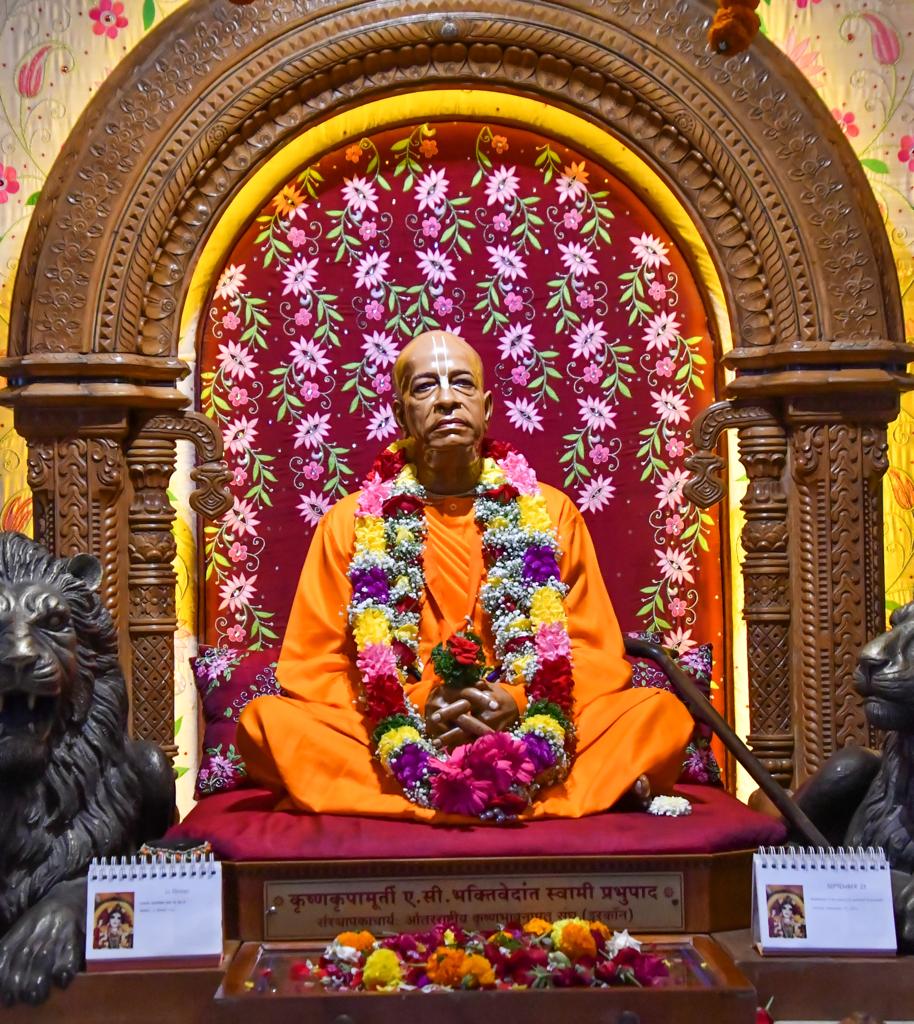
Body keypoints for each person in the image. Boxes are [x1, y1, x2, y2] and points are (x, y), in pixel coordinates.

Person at [237, 331, 693, 820]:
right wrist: (419, 703)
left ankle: (445, 791)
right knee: (268, 723)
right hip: (398, 726)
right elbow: (314, 664)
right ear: (400, 415)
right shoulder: (350, 522)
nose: (447, 399)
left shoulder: (551, 512)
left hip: (527, 718)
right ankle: (542, 789)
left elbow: (593, 651)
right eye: (425, 387)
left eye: (462, 384)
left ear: (487, 407)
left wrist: (517, 701)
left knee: (657, 712)